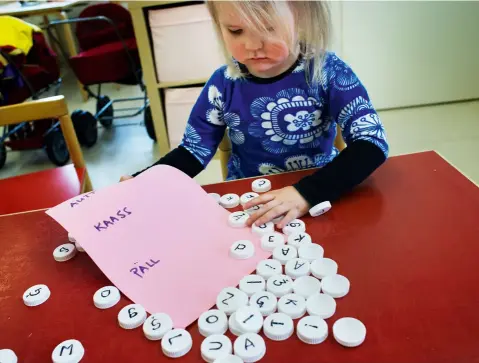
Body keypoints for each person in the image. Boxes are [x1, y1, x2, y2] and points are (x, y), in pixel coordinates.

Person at [121, 1, 388, 229]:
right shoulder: (223, 83)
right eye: (235, 31)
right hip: (250, 201)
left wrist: (307, 193)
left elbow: (372, 144)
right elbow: (193, 151)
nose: (252, 45)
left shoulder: (329, 72)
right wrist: (145, 181)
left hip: (322, 189)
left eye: (267, 28)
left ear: (303, 14)